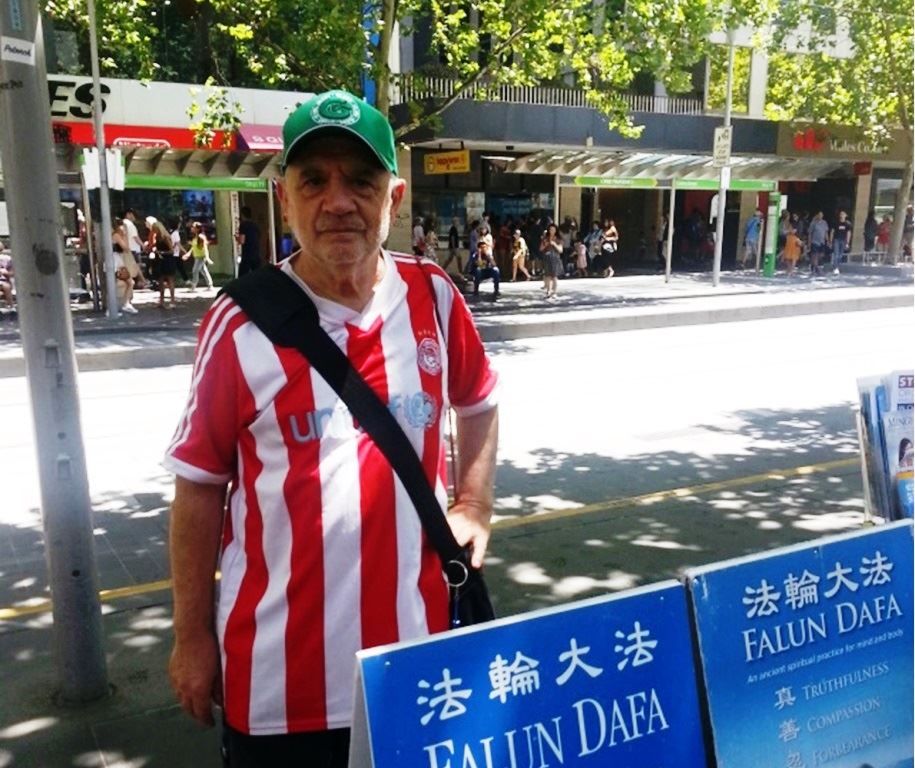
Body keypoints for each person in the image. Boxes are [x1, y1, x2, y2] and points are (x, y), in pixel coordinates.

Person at [165, 89, 499, 767]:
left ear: (393, 198)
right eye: (313, 180)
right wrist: (191, 636)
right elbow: (198, 488)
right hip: (279, 688)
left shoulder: (433, 296)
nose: (337, 201)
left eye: (361, 181)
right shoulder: (239, 325)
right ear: (284, 199)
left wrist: (474, 502)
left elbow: (479, 401)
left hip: (416, 667)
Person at [146, 215, 177, 308]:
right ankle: (161, 301)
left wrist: (161, 252)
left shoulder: (166, 237)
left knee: (170, 280)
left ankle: (172, 301)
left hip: (168, 260)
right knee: (160, 280)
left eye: (155, 229)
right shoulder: (158, 237)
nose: (154, 231)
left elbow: (172, 251)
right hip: (160, 260)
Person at [111, 220, 139, 314]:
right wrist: (125, 236)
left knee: (127, 282)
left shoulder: (115, 235)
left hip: (117, 260)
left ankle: (124, 304)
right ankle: (124, 304)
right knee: (129, 282)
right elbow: (126, 248)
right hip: (115, 261)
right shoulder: (117, 236)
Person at [184, 222, 215, 290]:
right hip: (197, 256)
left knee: (195, 270)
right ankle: (210, 285)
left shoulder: (201, 237)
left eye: (193, 227)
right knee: (203, 271)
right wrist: (188, 253)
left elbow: (205, 248)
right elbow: (193, 247)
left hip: (201, 257)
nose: (192, 228)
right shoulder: (195, 237)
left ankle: (193, 286)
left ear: (197, 229)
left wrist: (207, 258)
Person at [122, 208, 148, 288]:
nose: (134, 217)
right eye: (133, 214)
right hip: (133, 249)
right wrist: (143, 246)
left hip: (126, 248)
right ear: (128, 214)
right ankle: (143, 281)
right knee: (136, 266)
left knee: (131, 266)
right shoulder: (130, 224)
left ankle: (139, 282)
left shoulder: (122, 223)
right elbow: (136, 237)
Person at [472, 224, 500, 297]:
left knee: (496, 270)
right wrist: (479, 254)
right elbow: (478, 264)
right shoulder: (476, 254)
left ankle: (496, 290)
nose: (483, 248)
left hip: (489, 270)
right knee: (478, 270)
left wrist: (488, 256)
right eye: (482, 246)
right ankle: (476, 290)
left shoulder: (488, 253)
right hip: (481, 271)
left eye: (484, 246)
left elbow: (494, 264)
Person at [235, 206, 262, 276]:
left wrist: (237, 238)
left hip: (247, 255)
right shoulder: (255, 225)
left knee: (242, 276)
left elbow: (242, 241)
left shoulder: (243, 225)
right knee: (257, 275)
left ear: (242, 215)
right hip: (256, 254)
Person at [540, 222, 563, 298]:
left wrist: (554, 244)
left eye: (553, 229)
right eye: (550, 229)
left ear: (556, 230)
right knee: (547, 276)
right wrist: (545, 244)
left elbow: (560, 250)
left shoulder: (558, 239)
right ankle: (548, 291)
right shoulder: (545, 238)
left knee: (554, 276)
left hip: (555, 258)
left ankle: (554, 292)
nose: (552, 231)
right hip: (547, 258)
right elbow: (541, 248)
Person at [829, 210, 852, 275]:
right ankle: (835, 268)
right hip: (836, 240)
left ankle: (837, 266)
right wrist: (830, 241)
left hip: (843, 240)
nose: (842, 215)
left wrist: (847, 242)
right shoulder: (836, 223)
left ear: (846, 215)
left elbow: (848, 233)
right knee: (836, 254)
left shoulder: (847, 224)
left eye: (843, 214)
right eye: (841, 214)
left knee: (840, 255)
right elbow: (832, 232)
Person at [808, 211, 829, 275]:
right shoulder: (813, 223)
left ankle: (813, 265)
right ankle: (817, 269)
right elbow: (810, 233)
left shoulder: (824, 223)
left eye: (821, 215)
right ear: (817, 215)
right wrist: (809, 242)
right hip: (815, 241)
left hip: (822, 242)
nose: (820, 216)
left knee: (821, 255)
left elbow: (826, 232)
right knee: (815, 255)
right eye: (819, 215)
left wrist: (828, 240)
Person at [0, 242, 14, 308]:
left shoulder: (7, 259)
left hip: (4, 282)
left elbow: (12, 273)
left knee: (6, 286)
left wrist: (6, 273)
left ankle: (10, 306)